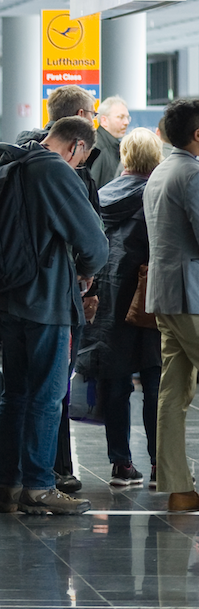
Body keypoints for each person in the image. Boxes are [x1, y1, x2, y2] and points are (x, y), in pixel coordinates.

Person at [0, 116, 107, 515]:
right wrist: (87, 271)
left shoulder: (10, 162)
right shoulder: (55, 169)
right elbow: (93, 241)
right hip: (48, 300)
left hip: (8, 298)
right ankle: (38, 486)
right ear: (77, 148)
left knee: (15, 393)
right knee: (48, 395)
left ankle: (7, 485)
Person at [78, 127, 161, 488]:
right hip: (148, 300)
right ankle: (161, 462)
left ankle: (121, 463)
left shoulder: (102, 195)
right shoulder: (155, 196)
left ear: (124, 157)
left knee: (116, 381)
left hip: (108, 298)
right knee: (156, 382)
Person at [142, 100, 199, 513]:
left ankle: (178, 488)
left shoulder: (161, 170)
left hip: (165, 295)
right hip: (192, 295)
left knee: (172, 392)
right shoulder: (191, 173)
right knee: (172, 392)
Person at [89, 96, 130, 190]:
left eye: (127, 117)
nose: (126, 122)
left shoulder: (113, 146)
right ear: (104, 120)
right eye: (121, 117)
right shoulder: (97, 147)